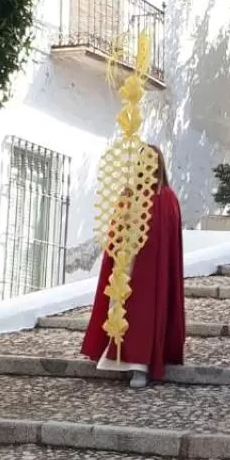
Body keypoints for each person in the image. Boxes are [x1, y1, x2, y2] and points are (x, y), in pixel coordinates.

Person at [81, 146, 185, 389]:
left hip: (151, 271)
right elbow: (116, 229)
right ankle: (115, 355)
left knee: (144, 314)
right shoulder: (129, 195)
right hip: (126, 264)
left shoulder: (166, 198)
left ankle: (140, 364)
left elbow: (165, 241)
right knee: (120, 309)